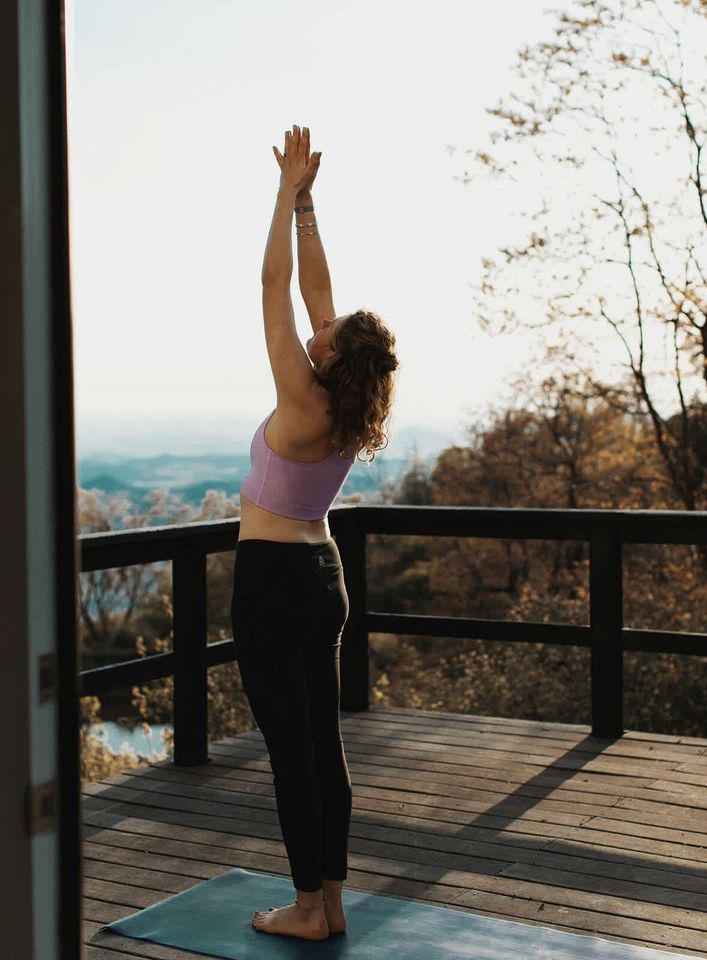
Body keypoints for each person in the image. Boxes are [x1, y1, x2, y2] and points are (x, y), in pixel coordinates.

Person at [231, 124, 399, 941]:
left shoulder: (303, 395)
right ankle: (330, 903)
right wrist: (307, 202)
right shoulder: (346, 401)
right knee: (323, 749)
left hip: (270, 581)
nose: (313, 327)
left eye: (324, 336)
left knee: (290, 753)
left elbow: (274, 288)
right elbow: (313, 289)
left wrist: (277, 199)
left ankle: (305, 908)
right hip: (323, 577)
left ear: (332, 361)